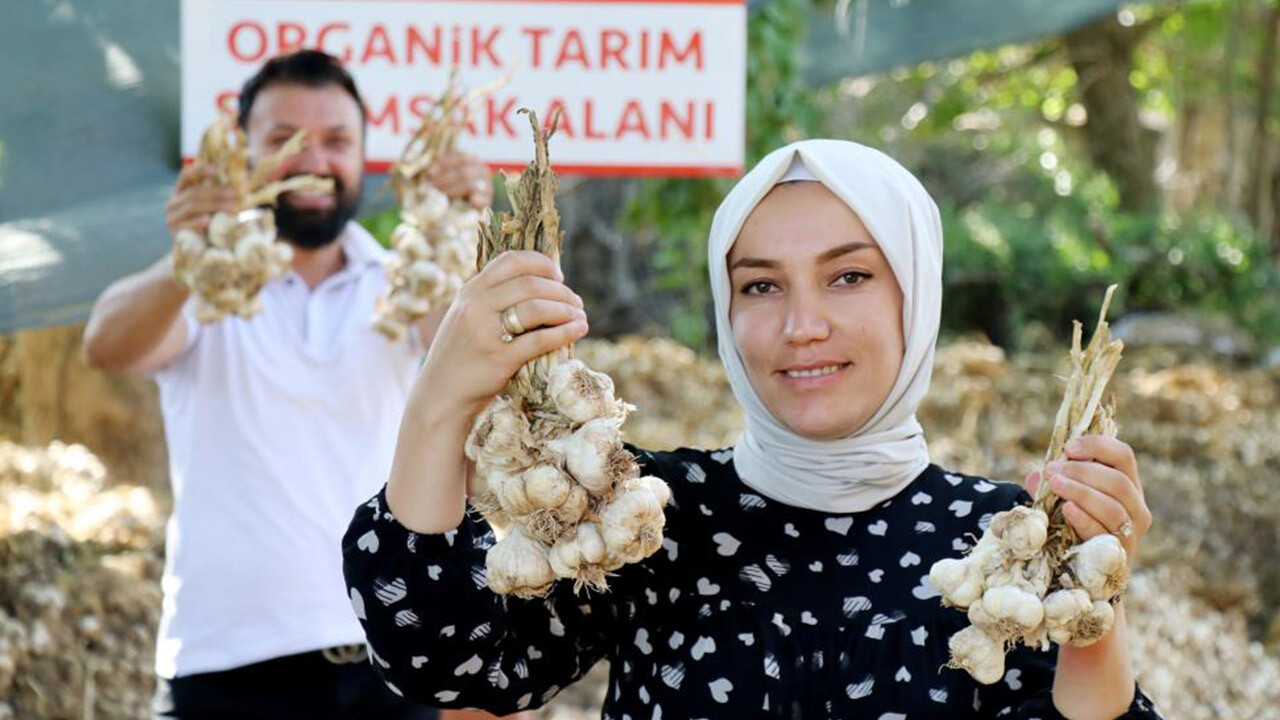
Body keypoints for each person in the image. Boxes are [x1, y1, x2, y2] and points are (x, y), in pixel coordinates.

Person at [342, 139, 1164, 719]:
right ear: (726, 311)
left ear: (915, 296)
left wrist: (1093, 600)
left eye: (848, 276)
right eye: (761, 286)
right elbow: (446, 661)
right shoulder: (650, 516)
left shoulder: (1000, 546)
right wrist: (438, 403)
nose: (802, 325)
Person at [82, 49, 505, 720]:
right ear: (239, 154)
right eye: (284, 140)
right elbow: (105, 344)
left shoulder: (402, 283)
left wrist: (460, 225)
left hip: (390, 663)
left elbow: (480, 369)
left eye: (336, 141)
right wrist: (189, 255)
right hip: (222, 670)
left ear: (367, 158)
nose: (312, 160)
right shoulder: (205, 288)